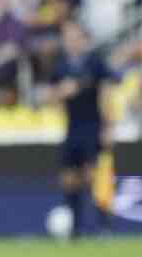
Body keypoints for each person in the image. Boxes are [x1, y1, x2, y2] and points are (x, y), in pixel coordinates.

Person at [51, 19, 118, 237]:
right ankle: (75, 225)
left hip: (93, 124)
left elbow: (106, 92)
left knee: (92, 175)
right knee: (69, 177)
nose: (72, 42)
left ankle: (101, 224)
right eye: (68, 38)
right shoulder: (60, 65)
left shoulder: (94, 62)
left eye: (76, 37)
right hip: (72, 126)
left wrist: (108, 126)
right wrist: (62, 92)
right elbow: (51, 96)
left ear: (84, 39)